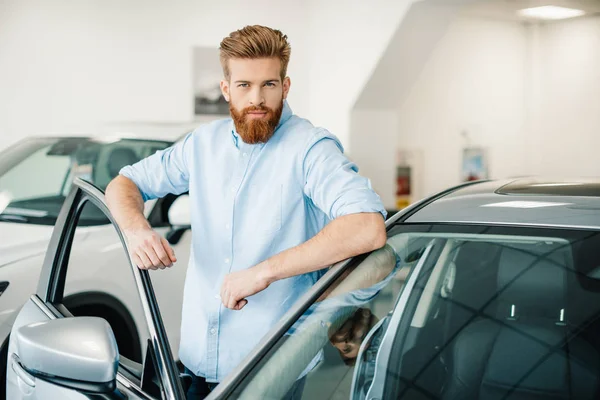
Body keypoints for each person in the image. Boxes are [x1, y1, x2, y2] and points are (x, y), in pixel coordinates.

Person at [105, 24, 387, 399]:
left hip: (269, 372)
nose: (257, 98)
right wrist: (136, 228)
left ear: (285, 87)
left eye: (269, 85)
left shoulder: (311, 149)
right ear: (226, 89)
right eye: (244, 86)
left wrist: (263, 273)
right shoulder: (201, 145)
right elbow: (124, 183)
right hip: (192, 363)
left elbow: (366, 227)